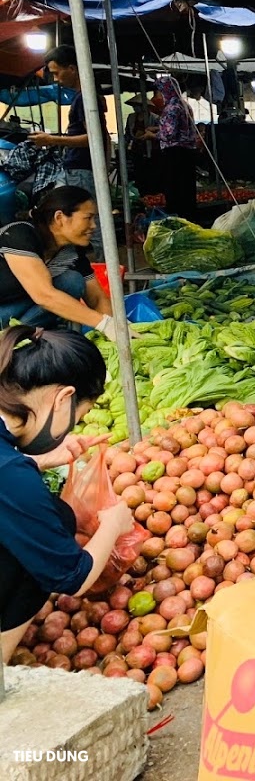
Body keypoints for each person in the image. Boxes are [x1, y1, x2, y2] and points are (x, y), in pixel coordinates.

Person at [0, 325, 132, 663]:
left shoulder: (11, 463)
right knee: (44, 537)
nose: (70, 430)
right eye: (78, 416)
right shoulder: (11, 474)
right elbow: (73, 578)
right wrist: (113, 524)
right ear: (62, 399)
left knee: (53, 516)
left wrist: (39, 461)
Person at [0, 187, 114, 336]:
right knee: (61, 289)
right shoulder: (20, 234)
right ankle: (10, 340)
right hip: (4, 309)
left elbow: (97, 299)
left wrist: (118, 328)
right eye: (88, 218)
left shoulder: (71, 251)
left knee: (72, 281)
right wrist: (104, 324)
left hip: (21, 310)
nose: (93, 226)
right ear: (60, 217)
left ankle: (13, 338)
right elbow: (44, 295)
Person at [31, 46, 107, 195]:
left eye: (56, 73)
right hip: (78, 169)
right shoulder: (82, 97)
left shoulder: (85, 98)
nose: (55, 79)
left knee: (82, 214)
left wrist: (52, 139)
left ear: (72, 68)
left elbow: (94, 138)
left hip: (81, 171)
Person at [153, 75, 200, 221]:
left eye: (160, 92)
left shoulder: (171, 108)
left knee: (175, 189)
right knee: (187, 188)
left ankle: (178, 219)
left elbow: (169, 134)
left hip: (174, 154)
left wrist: (153, 134)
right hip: (188, 152)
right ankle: (189, 218)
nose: (158, 96)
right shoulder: (184, 105)